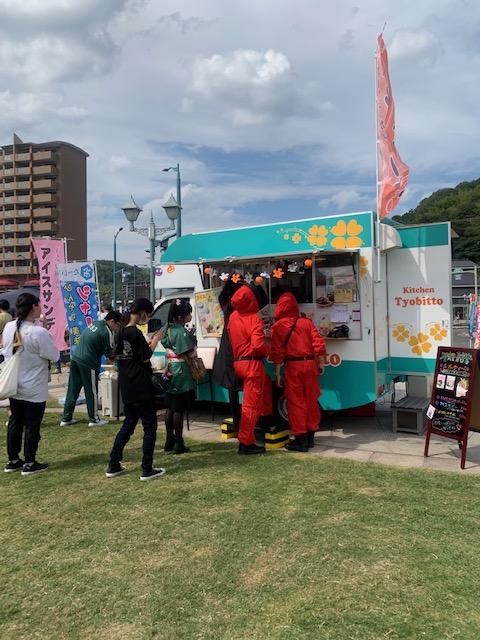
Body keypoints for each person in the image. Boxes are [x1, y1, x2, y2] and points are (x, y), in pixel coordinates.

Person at [106, 298, 165, 480]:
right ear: (142, 313)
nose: (147, 319)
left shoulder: (121, 331)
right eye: (148, 315)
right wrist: (156, 339)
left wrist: (148, 343)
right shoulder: (135, 332)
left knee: (129, 424)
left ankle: (113, 464)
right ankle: (147, 468)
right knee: (149, 426)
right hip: (141, 384)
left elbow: (128, 355)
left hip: (127, 384)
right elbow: (145, 357)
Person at [3, 293, 59, 475]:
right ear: (34, 307)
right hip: (34, 386)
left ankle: (13, 460)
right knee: (32, 424)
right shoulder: (39, 332)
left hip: (15, 384)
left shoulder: (10, 327)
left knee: (15, 421)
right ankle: (30, 462)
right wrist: (45, 329)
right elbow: (54, 355)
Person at [270, 292, 326, 452]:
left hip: (293, 367)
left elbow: (278, 354)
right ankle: (310, 438)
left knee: (296, 403)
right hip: (310, 364)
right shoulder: (307, 323)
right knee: (311, 401)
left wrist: (278, 374)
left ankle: (300, 439)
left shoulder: (277, 327)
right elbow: (319, 343)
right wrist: (321, 363)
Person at [228, 285, 272, 455]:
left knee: (258, 394)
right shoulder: (254, 319)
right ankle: (246, 442)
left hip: (239, 363)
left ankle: (259, 426)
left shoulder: (233, 316)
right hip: (252, 364)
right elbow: (258, 345)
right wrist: (269, 351)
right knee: (251, 405)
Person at [60, 310, 121, 427]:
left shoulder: (96, 323)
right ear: (112, 321)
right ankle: (94, 419)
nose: (117, 328)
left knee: (73, 389)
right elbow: (110, 355)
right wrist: (120, 361)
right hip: (88, 362)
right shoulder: (106, 332)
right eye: (117, 325)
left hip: (76, 358)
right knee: (91, 391)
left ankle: (66, 418)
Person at [161, 299, 196, 454]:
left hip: (170, 367)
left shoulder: (167, 329)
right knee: (178, 408)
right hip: (181, 370)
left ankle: (169, 440)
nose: (190, 316)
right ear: (181, 317)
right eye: (188, 314)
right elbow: (189, 351)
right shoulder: (182, 332)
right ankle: (178, 443)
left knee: (170, 407)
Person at [212, 277, 245, 428]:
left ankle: (237, 418)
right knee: (248, 384)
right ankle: (248, 417)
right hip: (244, 349)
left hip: (229, 347)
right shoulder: (246, 311)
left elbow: (222, 296)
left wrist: (232, 282)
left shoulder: (228, 309)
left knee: (232, 385)